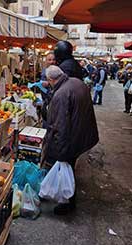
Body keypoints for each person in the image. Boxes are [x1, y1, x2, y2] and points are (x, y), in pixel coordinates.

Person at [41, 66, 99, 215]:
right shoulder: (76, 82)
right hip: (83, 133)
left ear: (50, 80)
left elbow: (61, 126)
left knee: (66, 167)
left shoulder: (61, 94)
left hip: (74, 137)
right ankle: (66, 196)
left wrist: (61, 152)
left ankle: (67, 202)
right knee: (69, 167)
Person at [39, 52, 56, 128]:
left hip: (53, 101)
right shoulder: (44, 71)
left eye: (53, 60)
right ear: (46, 61)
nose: (52, 61)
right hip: (46, 101)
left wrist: (48, 83)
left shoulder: (57, 71)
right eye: (49, 60)